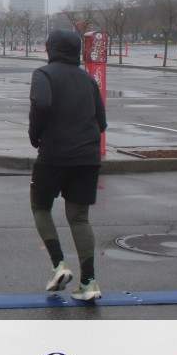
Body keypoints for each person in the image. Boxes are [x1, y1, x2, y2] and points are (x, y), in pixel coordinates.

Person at [28, 29, 108, 302]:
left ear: (51, 49)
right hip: (88, 157)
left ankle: (58, 264)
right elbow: (102, 122)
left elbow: (41, 105)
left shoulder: (44, 75)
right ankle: (89, 282)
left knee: (41, 206)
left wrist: (35, 136)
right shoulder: (88, 80)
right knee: (79, 217)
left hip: (54, 154)